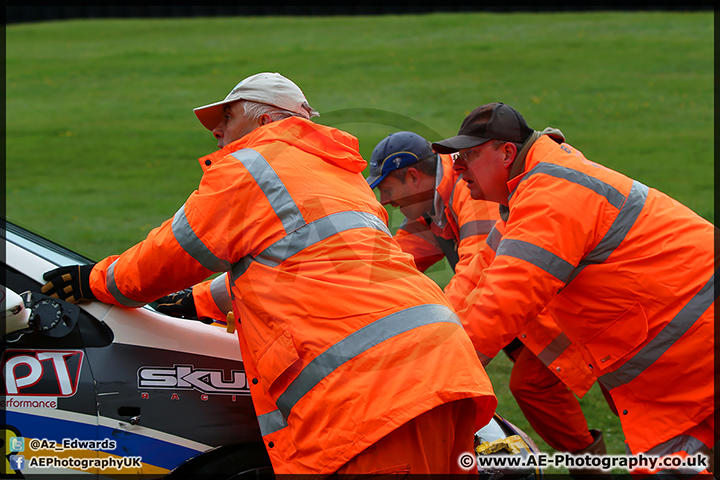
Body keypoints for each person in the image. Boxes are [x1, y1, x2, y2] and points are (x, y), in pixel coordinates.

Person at [40, 72, 498, 476]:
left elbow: (174, 250)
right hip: (438, 364)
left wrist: (97, 281)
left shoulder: (251, 166)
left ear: (264, 122)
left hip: (373, 392)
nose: (217, 132)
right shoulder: (336, 174)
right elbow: (295, 260)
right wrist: (197, 301)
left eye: (227, 118)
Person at [433, 102, 716, 478]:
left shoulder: (551, 197)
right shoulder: (535, 195)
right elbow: (475, 280)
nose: (458, 168)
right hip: (682, 373)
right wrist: (428, 340)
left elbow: (504, 299)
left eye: (469, 155)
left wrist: (440, 376)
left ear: (507, 153)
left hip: (695, 360)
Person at [364, 131, 606, 470]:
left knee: (538, 383)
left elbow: (476, 273)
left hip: (549, 304)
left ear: (413, 176)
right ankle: (591, 463)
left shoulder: (469, 195)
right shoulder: (430, 206)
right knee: (543, 385)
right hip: (531, 306)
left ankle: (592, 465)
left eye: (386, 189)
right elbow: (390, 265)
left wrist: (444, 339)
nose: (386, 201)